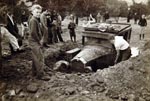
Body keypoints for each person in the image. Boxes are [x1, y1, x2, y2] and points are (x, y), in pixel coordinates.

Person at [28, 4, 50, 81]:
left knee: (35, 57)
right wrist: (39, 41)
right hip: (34, 41)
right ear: (32, 12)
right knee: (39, 57)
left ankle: (34, 72)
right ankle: (40, 74)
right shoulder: (33, 20)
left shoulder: (34, 19)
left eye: (39, 12)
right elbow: (33, 33)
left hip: (33, 41)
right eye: (36, 12)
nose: (38, 14)